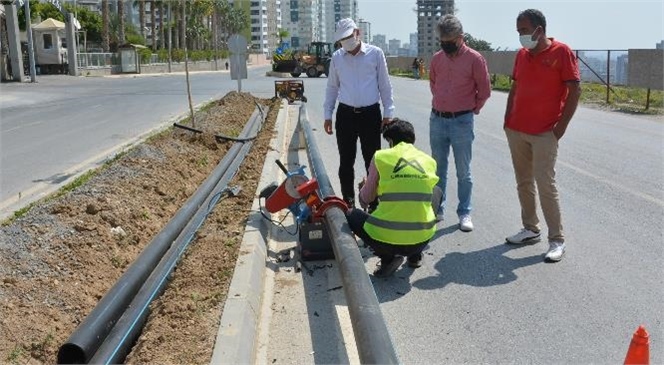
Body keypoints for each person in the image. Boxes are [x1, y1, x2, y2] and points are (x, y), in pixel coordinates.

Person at [503, 9, 581, 262]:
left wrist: (560, 128)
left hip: (545, 132)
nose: (521, 36)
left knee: (545, 184)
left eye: (524, 31)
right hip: (517, 129)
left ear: (539, 29)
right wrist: (507, 119)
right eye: (518, 32)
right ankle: (530, 228)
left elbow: (574, 90)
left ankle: (557, 240)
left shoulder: (561, 52)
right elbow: (515, 86)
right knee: (523, 182)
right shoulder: (522, 55)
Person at [346, 118, 441, 277]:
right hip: (420, 240)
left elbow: (366, 199)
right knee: (436, 191)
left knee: (351, 215)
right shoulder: (429, 161)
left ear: (390, 140)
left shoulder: (381, 157)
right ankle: (415, 256)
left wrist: (364, 187)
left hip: (386, 240)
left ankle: (387, 258)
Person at [323, 18, 395, 208]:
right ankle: (348, 204)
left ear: (358, 33)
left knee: (373, 162)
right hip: (345, 115)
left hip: (370, 115)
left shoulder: (375, 54)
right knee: (346, 162)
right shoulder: (337, 57)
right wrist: (327, 114)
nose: (345, 41)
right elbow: (332, 87)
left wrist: (388, 111)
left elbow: (385, 86)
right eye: (342, 39)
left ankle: (373, 204)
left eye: (348, 36)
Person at [428, 15, 491, 232]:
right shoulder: (437, 59)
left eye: (450, 41)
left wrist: (473, 108)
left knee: (463, 171)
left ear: (460, 38)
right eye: (442, 41)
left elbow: (484, 90)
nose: (446, 45)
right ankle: (437, 210)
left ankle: (464, 212)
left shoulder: (475, 59)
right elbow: (433, 83)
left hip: (462, 121)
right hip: (437, 119)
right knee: (437, 169)